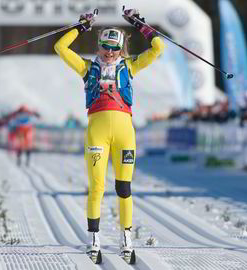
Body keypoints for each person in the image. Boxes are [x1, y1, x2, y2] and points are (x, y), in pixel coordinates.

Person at [54, 9, 165, 263]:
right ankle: (94, 240)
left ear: (121, 48)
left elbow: (158, 47)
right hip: (97, 133)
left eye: (114, 48)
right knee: (96, 188)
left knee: (124, 188)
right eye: (105, 47)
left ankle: (126, 239)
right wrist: (80, 26)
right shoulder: (87, 68)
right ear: (99, 45)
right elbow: (60, 47)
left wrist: (139, 24)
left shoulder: (130, 65)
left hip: (125, 133)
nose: (110, 53)